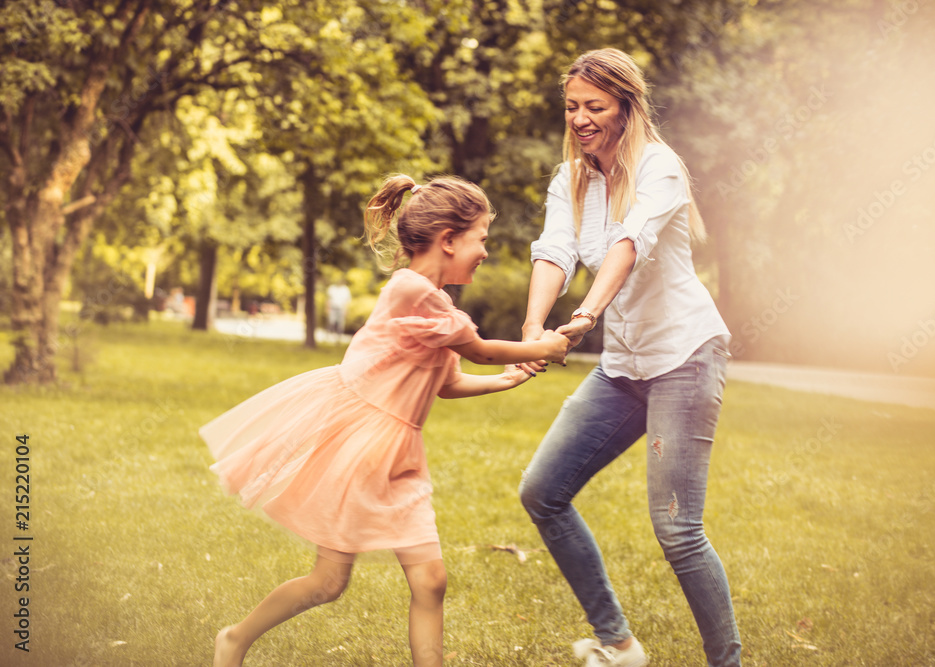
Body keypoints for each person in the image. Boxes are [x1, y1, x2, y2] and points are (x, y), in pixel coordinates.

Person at [203, 174, 570, 667]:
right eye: (481, 239)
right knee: (328, 582)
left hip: (399, 460)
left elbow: (448, 382)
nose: (485, 251)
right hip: (359, 451)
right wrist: (541, 345)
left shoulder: (436, 304)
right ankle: (235, 638)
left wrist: (508, 380)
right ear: (448, 240)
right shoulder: (411, 291)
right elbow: (478, 349)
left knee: (430, 580)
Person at [517, 49, 742, 666]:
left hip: (685, 356)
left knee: (678, 530)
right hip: (624, 366)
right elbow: (555, 251)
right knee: (543, 490)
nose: (580, 119)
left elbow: (628, 243)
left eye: (595, 106)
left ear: (626, 106)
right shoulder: (571, 180)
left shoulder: (659, 167)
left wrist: (585, 316)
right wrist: (535, 325)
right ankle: (618, 644)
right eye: (571, 107)